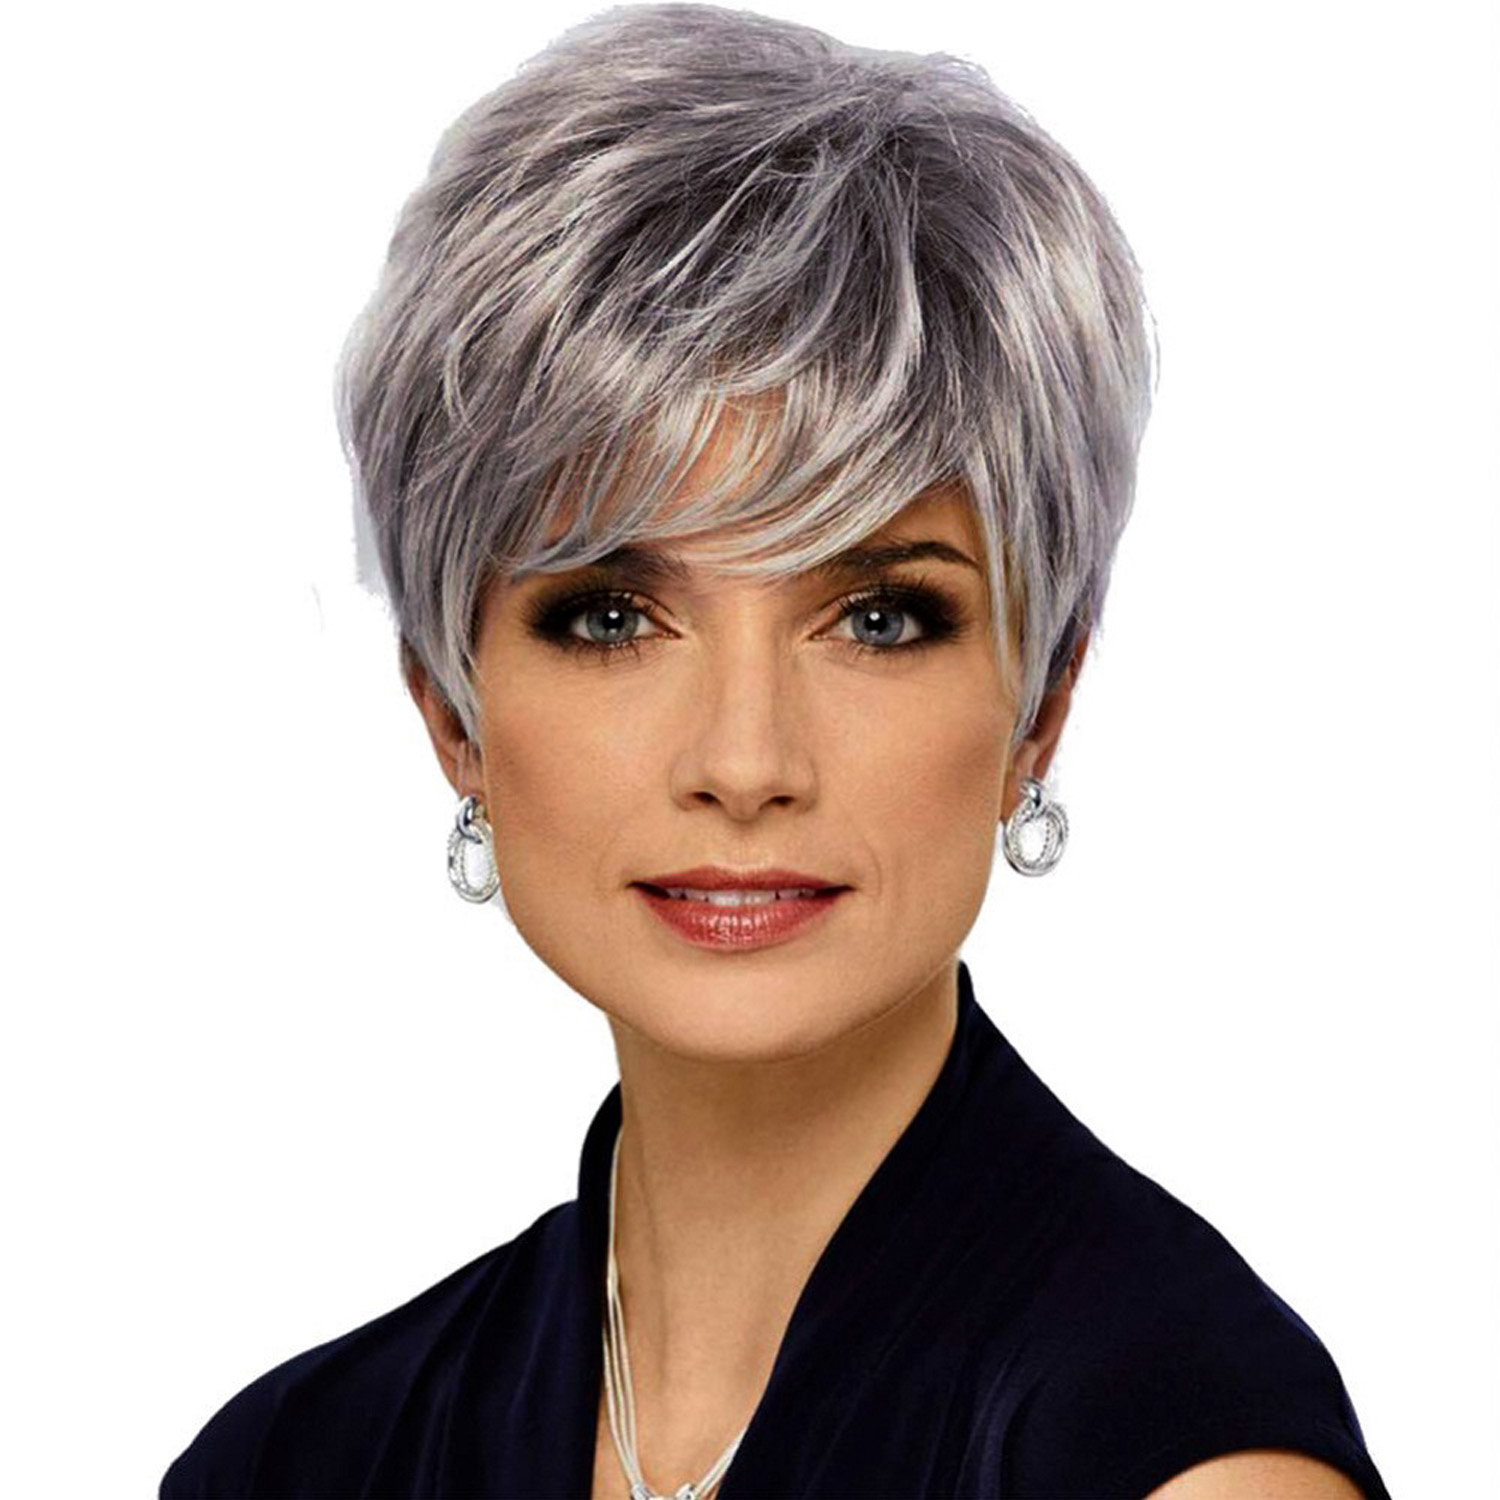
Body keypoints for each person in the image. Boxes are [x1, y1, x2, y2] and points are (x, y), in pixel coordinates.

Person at [159, 5, 1392, 1496]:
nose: (745, 763)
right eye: (612, 615)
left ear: (1042, 704)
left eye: (877, 618)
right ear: (450, 708)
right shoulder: (297, 1460)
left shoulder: (1179, 1452)